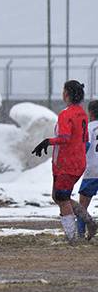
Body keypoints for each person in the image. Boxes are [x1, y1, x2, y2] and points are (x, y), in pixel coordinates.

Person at [32, 81, 95, 243]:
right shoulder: (81, 113)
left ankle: (71, 238)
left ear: (66, 93)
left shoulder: (66, 114)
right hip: (76, 162)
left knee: (61, 198)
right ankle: (89, 221)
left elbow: (65, 138)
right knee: (58, 196)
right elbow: (84, 139)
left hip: (66, 163)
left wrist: (47, 141)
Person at [77, 100, 98, 239]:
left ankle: (80, 233)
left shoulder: (88, 128)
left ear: (89, 112)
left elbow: (84, 147)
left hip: (92, 169)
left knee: (83, 204)